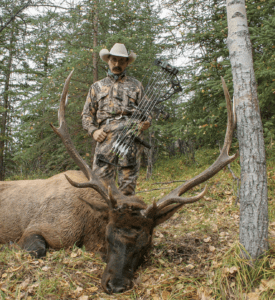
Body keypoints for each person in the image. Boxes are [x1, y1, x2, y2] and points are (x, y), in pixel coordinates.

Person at [82, 43, 151, 195]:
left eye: (121, 61)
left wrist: (145, 123)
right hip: (105, 138)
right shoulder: (97, 87)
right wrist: (93, 131)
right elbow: (86, 115)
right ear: (108, 60)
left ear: (127, 63)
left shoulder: (136, 85)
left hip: (131, 137)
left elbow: (148, 112)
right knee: (100, 185)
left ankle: (126, 216)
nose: (117, 64)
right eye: (114, 60)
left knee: (127, 185)